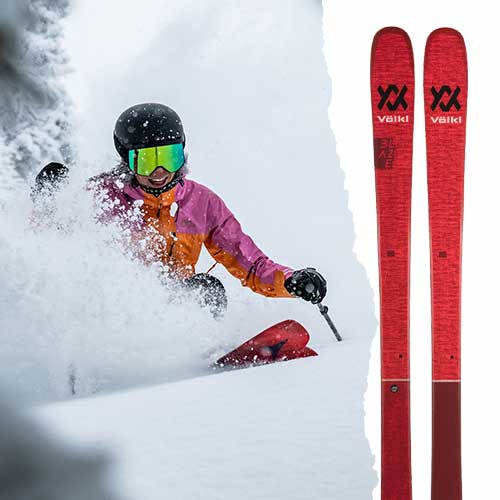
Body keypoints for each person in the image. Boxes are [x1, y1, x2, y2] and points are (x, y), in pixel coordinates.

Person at [35, 103, 327, 316]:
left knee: (206, 290)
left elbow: (249, 263)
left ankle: (193, 356)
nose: (160, 171)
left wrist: (290, 280)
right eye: (147, 160)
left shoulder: (201, 203)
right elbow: (51, 245)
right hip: (115, 312)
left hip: (175, 311)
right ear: (127, 160)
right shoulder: (101, 197)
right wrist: (48, 202)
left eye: (169, 156)